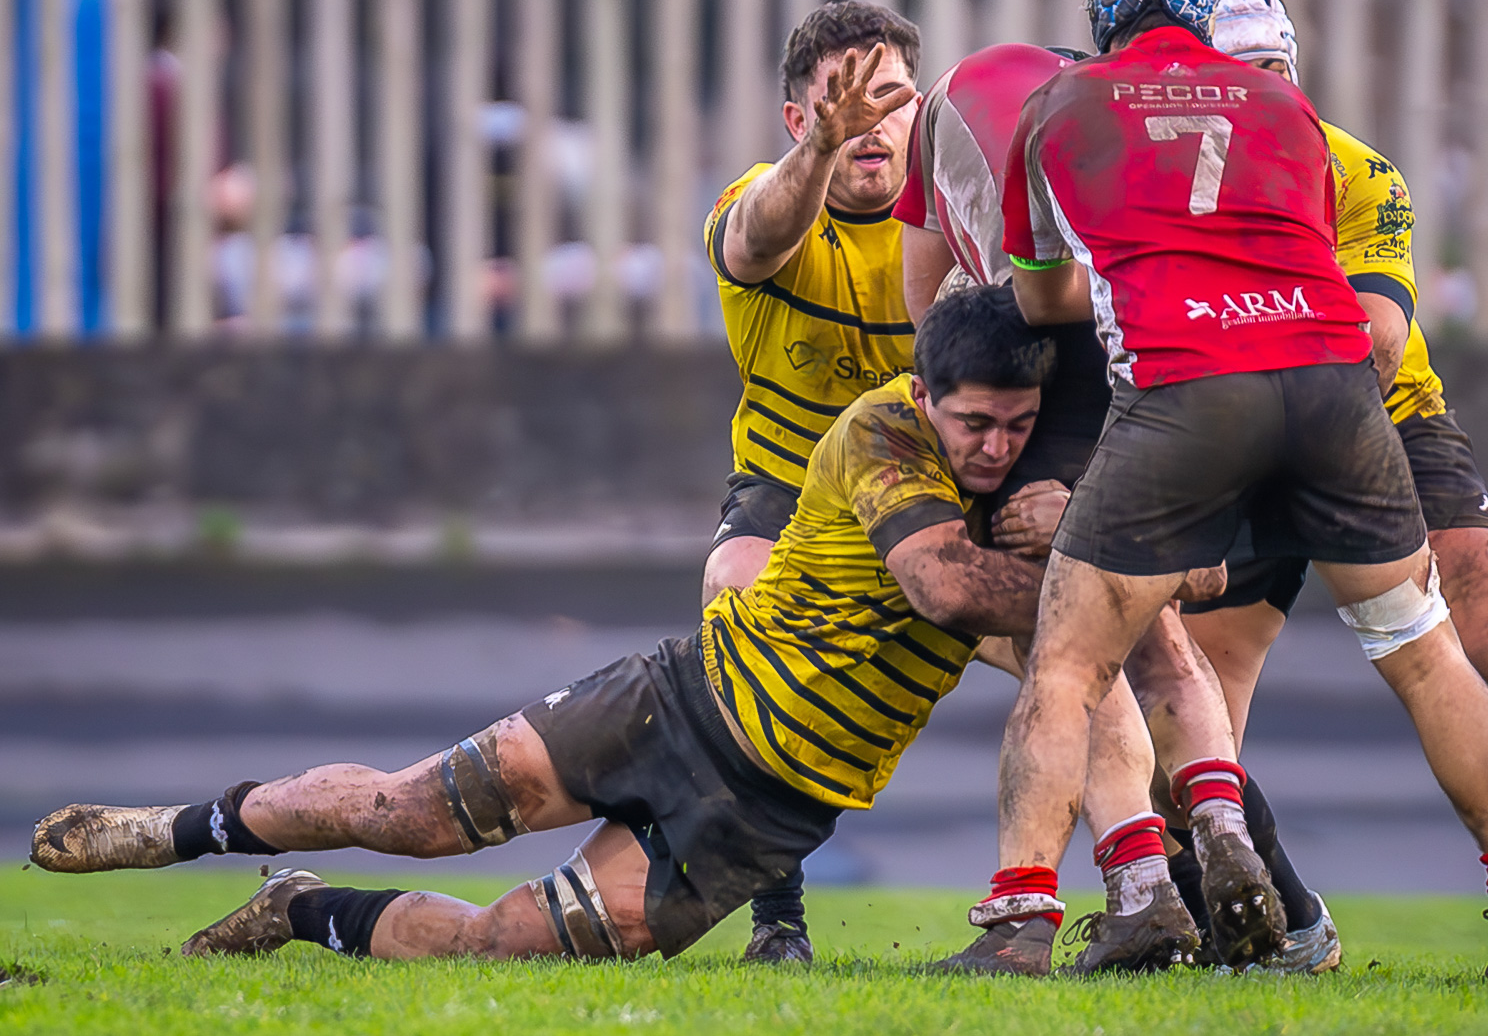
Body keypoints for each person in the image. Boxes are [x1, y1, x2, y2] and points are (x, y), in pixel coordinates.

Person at [29, 289, 1067, 967]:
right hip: (679, 701)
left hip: (772, 810)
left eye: (1018, 427)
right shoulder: (880, 426)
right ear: (925, 392)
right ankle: (174, 829)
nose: (995, 445)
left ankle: (299, 908)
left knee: (499, 945)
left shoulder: (1047, 478)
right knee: (410, 810)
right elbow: (947, 587)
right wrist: (1080, 565)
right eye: (975, 422)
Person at [941, 0, 1488, 982]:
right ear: (1201, 16)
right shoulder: (1286, 106)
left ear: (1100, 18)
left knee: (1072, 661)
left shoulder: (1059, 104)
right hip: (1330, 383)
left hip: (1188, 389)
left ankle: (1022, 920)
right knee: (1422, 648)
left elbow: (1042, 294)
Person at [1169, 0, 1488, 913]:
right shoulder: (1159, 193)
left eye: (1275, 69)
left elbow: (1374, 342)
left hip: (1383, 414)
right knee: (1190, 718)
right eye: (1237, 74)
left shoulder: (1359, 172)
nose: (1262, 92)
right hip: (1233, 433)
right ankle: (1285, 919)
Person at [897, 42, 1311, 972]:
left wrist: (960, 427)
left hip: (1049, 325)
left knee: (1070, 648)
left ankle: (1094, 900)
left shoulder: (951, 106)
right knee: (1154, 620)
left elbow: (927, 312)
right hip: (1176, 351)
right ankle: (1219, 833)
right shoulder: (1142, 107)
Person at [701, 0, 922, 960]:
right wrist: (821, 158)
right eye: (839, 101)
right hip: (787, 490)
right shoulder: (765, 195)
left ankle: (1158, 888)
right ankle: (776, 921)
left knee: (1093, 642)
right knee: (731, 597)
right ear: (799, 119)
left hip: (929, 490)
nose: (866, 123)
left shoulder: (960, 217)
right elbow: (756, 239)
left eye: (888, 99)